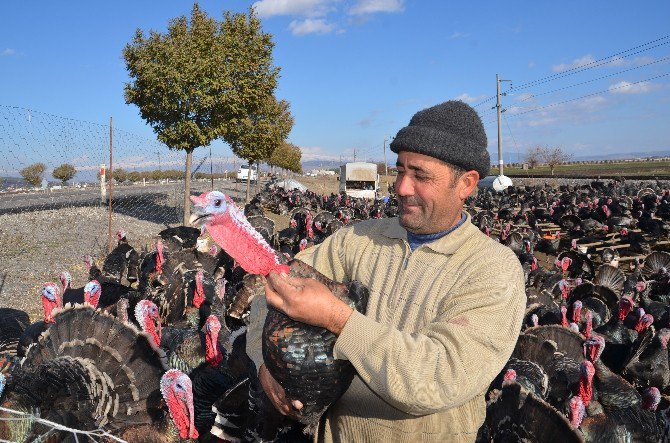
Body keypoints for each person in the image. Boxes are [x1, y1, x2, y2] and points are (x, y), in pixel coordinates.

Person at [259, 100, 526, 442]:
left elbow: (437, 378)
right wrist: (266, 362)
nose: (401, 188)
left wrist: (337, 319)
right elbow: (270, 288)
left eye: (421, 175)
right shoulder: (359, 239)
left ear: (466, 184)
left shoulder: (492, 270)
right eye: (400, 170)